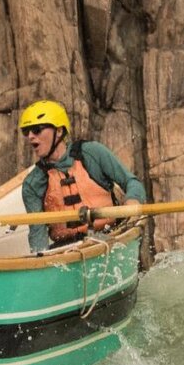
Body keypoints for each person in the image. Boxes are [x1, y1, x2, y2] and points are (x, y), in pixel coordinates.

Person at [18, 100, 146, 252]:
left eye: (36, 130)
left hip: (109, 237)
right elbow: (37, 233)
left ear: (59, 131)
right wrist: (40, 260)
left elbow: (132, 182)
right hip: (66, 249)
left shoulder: (92, 153)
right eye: (26, 132)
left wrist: (132, 201)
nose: (30, 137)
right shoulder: (32, 183)